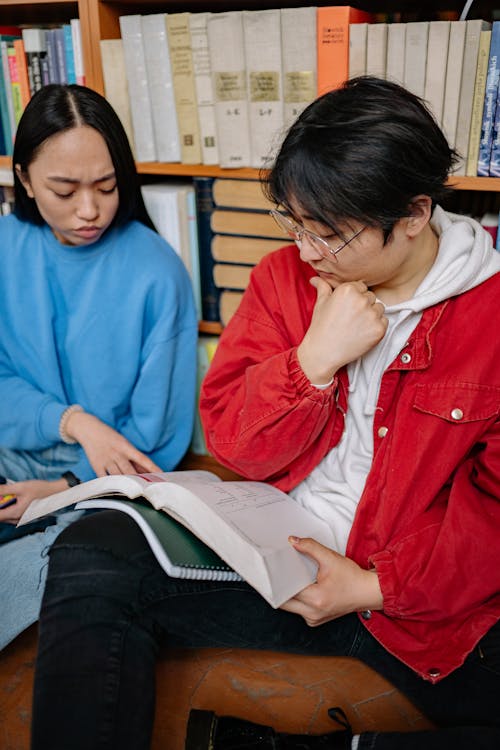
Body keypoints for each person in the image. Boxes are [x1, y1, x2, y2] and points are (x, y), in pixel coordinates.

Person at [31, 77, 500, 750]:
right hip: (275, 557)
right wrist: (313, 362)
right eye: (294, 222)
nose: (306, 252)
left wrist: (374, 586)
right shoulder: (285, 279)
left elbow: (491, 518)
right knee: (92, 555)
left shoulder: (490, 318)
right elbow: (233, 442)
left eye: (330, 234)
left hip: (406, 601)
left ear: (415, 214)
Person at [0, 84, 197, 650]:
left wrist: (61, 487)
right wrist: (75, 421)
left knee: (86, 577)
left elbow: (155, 437)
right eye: (65, 190)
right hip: (14, 459)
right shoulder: (7, 249)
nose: (90, 210)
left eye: (107, 187)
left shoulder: (157, 272)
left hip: (101, 488)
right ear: (26, 178)